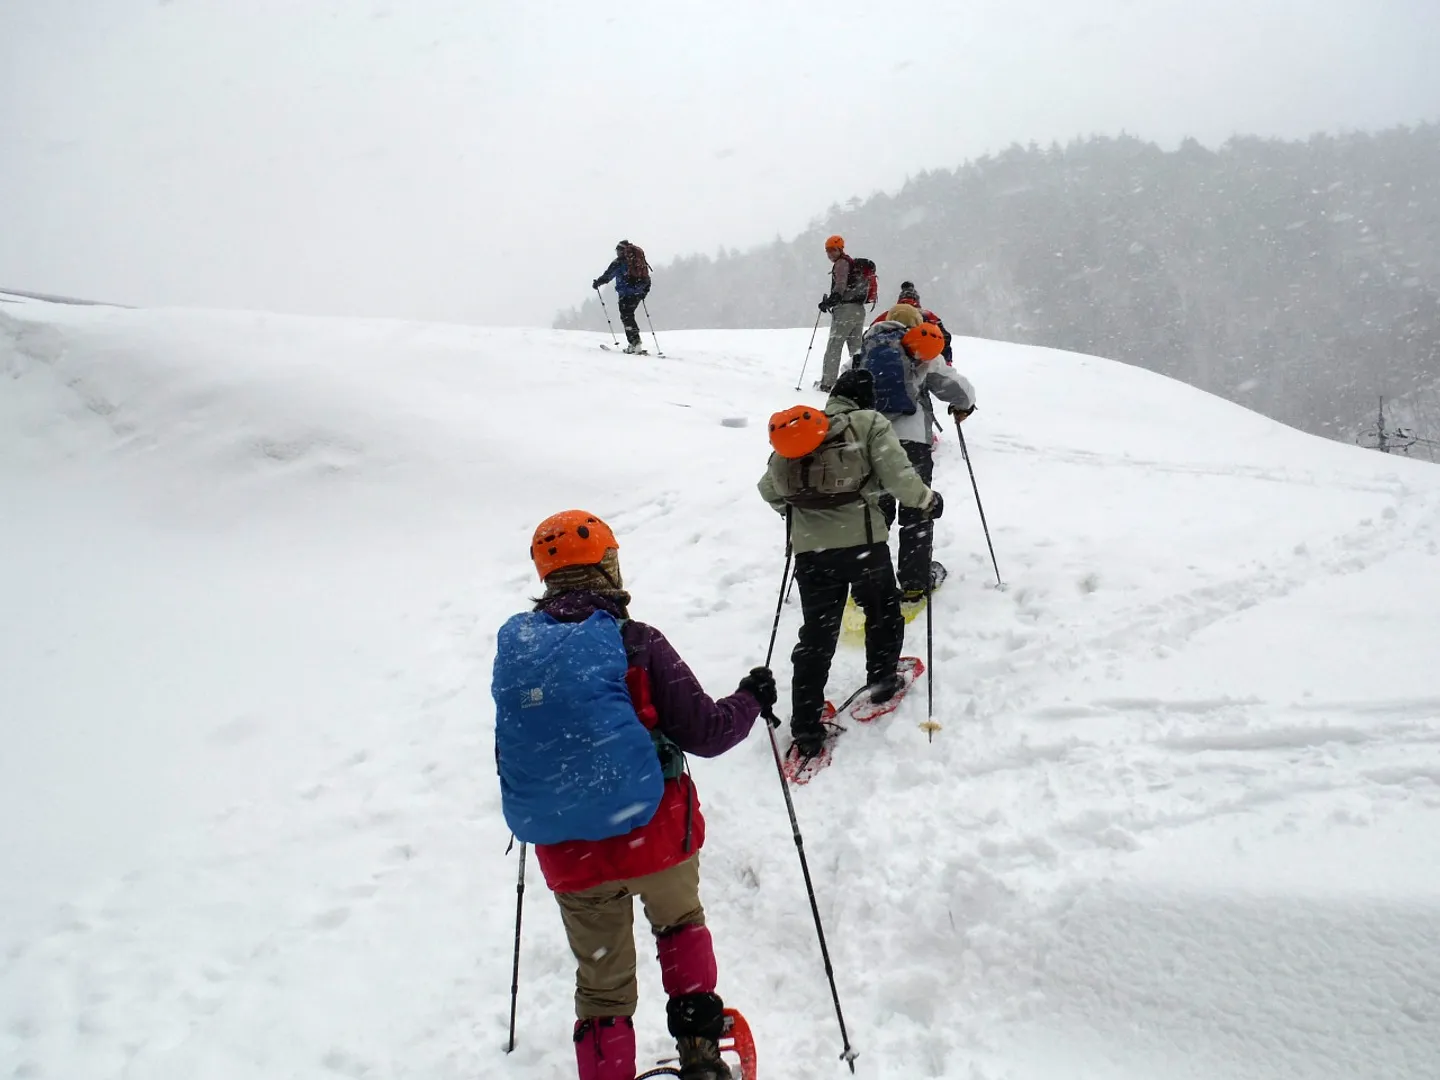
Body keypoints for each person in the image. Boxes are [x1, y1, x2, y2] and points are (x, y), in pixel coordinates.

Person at [493, 510, 774, 1080]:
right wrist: (751, 697)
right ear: (608, 564)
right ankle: (699, 1053)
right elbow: (707, 732)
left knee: (601, 986)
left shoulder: (520, 654)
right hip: (656, 833)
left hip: (568, 848)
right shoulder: (637, 643)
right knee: (680, 925)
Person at [757, 369, 941, 760]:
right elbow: (899, 477)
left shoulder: (801, 432)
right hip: (864, 544)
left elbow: (769, 489)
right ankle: (882, 681)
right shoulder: (867, 423)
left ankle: (806, 727)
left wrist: (804, 518)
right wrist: (927, 501)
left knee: (817, 636)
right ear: (866, 397)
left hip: (811, 554)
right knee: (882, 612)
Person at [855, 317, 976, 601]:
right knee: (916, 510)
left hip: (872, 440)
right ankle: (914, 582)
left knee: (875, 512)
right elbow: (959, 389)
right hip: (913, 442)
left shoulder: (865, 353)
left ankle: (870, 581)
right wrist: (964, 406)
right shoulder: (919, 351)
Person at [816, 235, 869, 392]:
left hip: (845, 310)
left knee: (834, 346)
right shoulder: (852, 264)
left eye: (832, 250)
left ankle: (827, 383)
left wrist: (830, 301)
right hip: (859, 310)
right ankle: (862, 381)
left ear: (840, 249)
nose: (830, 254)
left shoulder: (841, 264)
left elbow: (840, 285)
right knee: (856, 349)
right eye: (827, 251)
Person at [593, 240, 652, 354]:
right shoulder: (637, 260)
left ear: (621, 251)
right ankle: (635, 342)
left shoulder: (619, 262)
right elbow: (646, 277)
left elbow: (607, 276)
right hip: (638, 293)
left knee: (626, 316)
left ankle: (634, 343)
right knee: (629, 315)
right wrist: (643, 292)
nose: (617, 253)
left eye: (617, 251)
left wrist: (597, 283)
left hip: (626, 294)